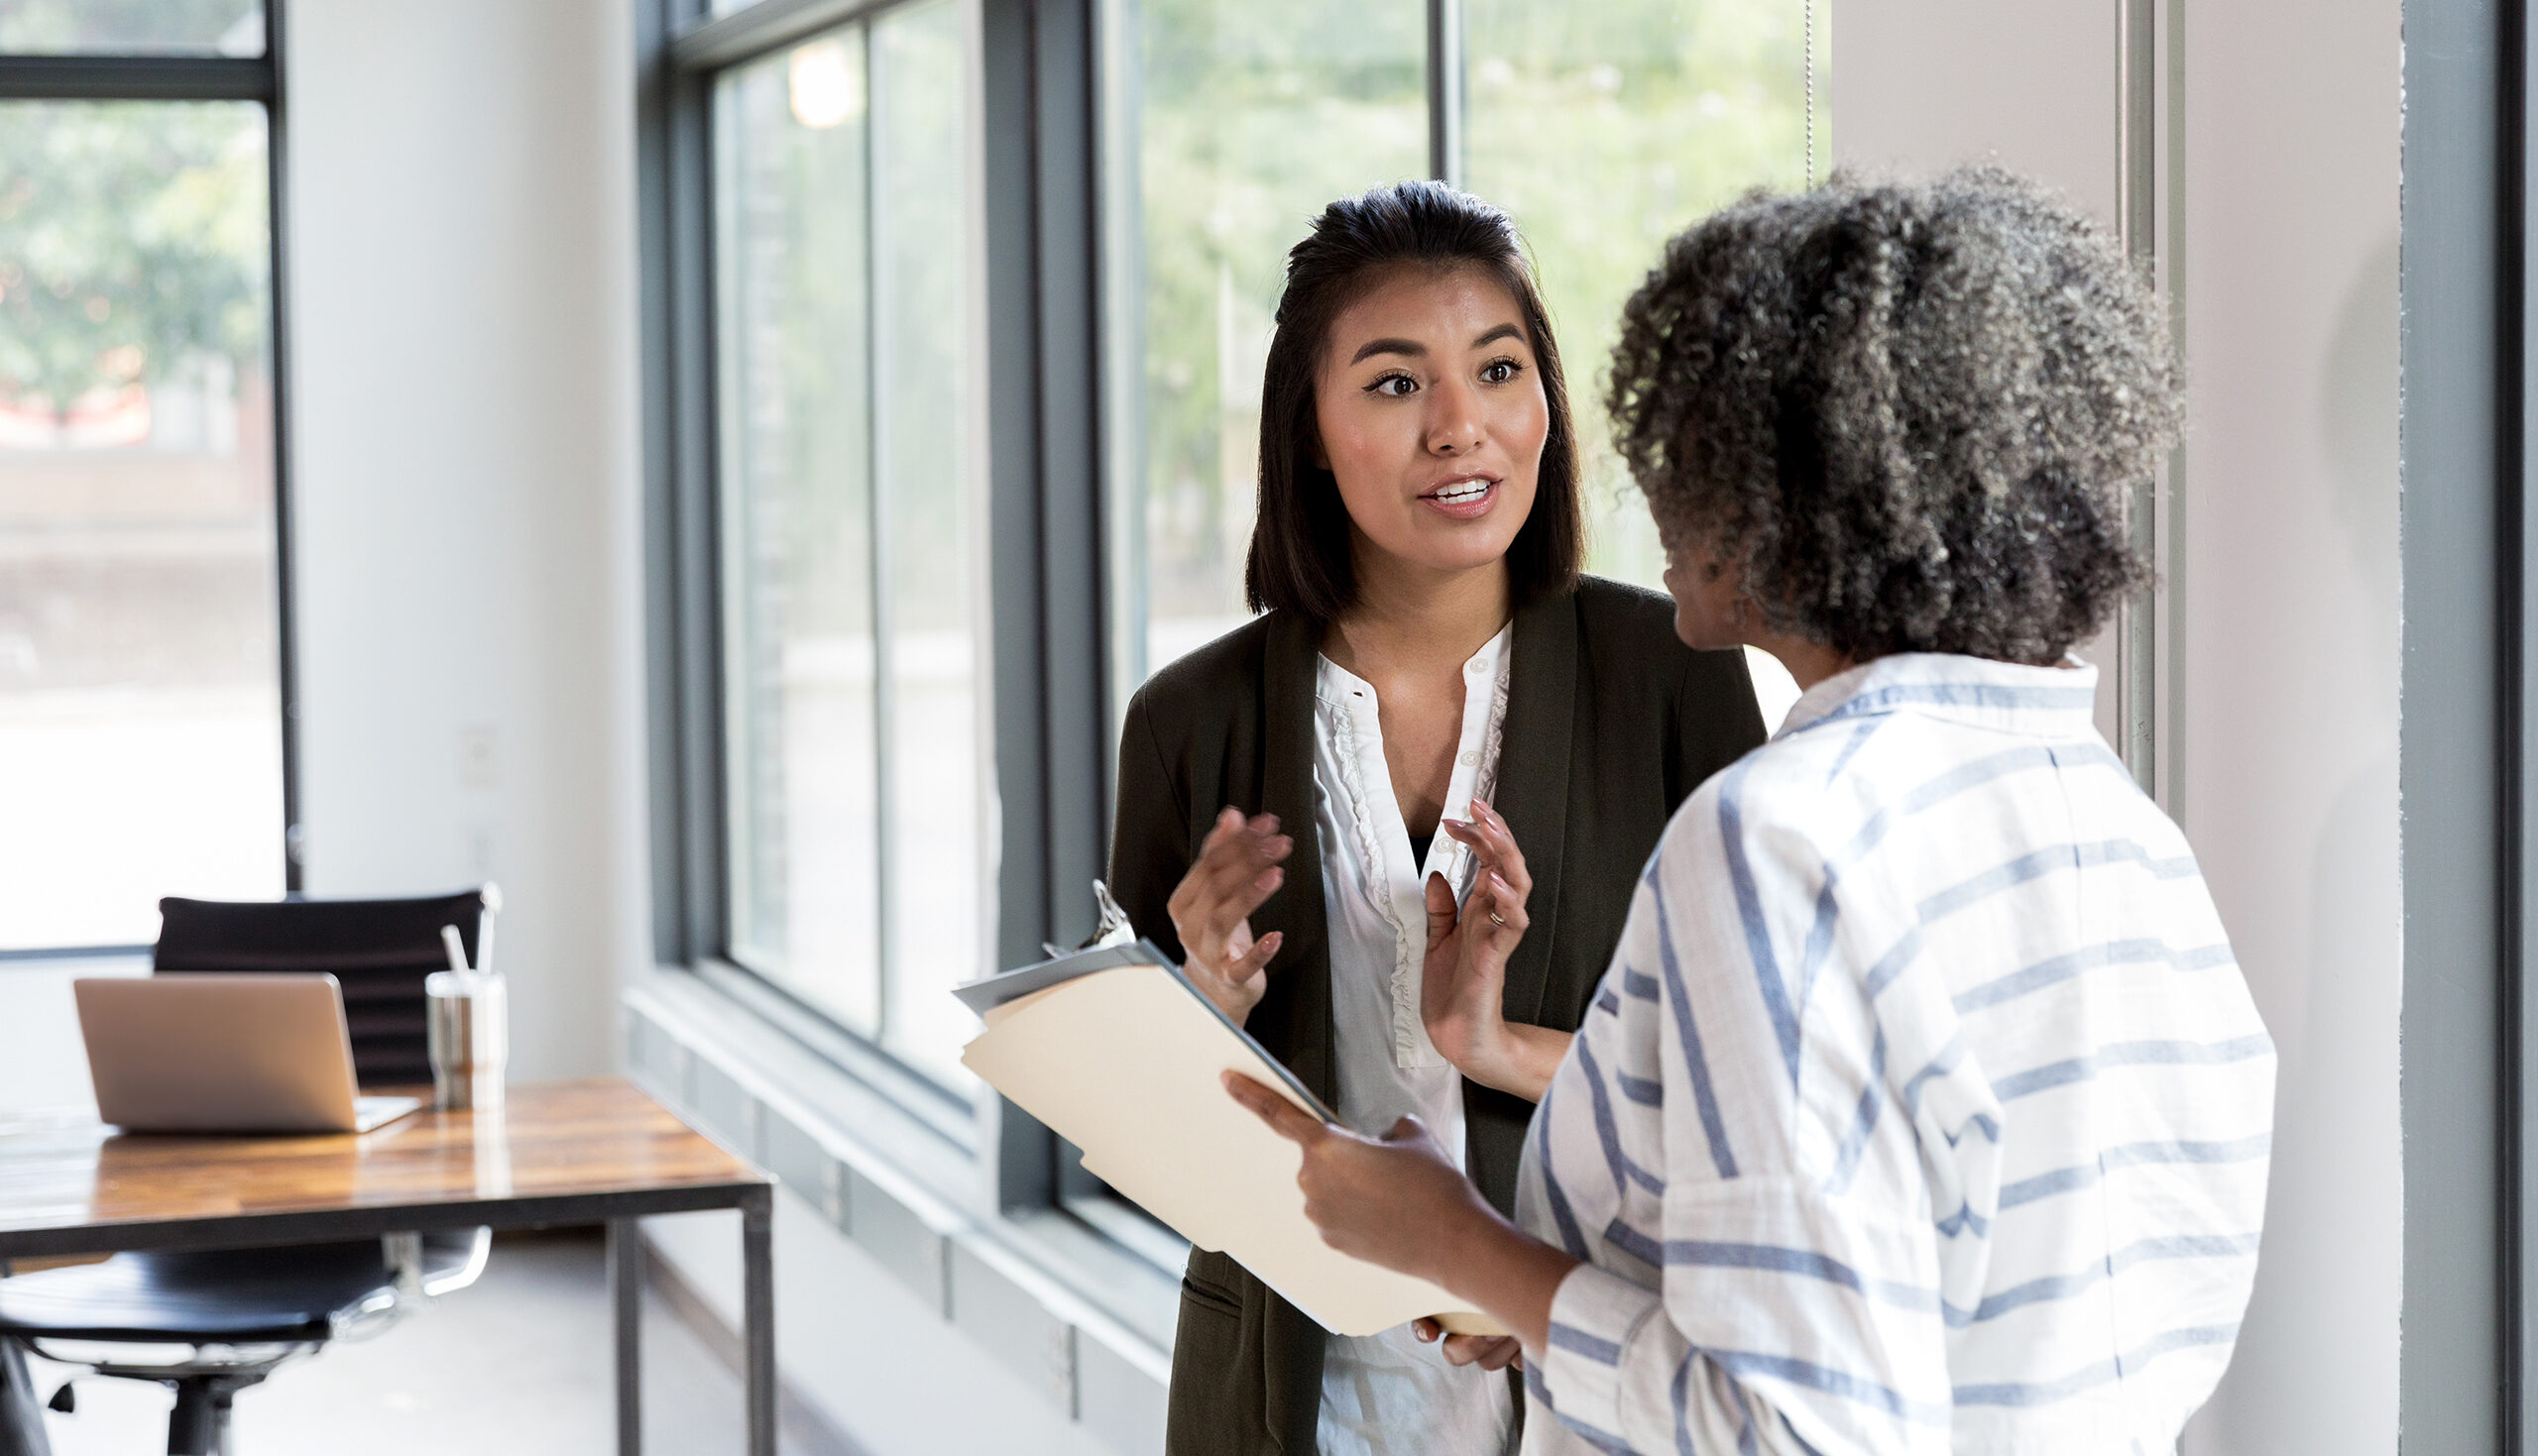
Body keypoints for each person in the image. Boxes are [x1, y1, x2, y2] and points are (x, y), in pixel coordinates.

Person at [1228, 168, 2276, 1455]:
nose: (1653, 490)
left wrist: (1456, 1241)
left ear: (1793, 494)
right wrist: (1554, 1291)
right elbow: (1947, 1287)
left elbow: (1783, 1428)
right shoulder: (2124, 834)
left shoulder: (1778, 841)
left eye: (1688, 447)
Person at [1106, 180, 1768, 1456]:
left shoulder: (1669, 667)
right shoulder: (1188, 720)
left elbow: (1747, 1080)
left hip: (1594, 1374)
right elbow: (1140, 1151)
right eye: (1396, 383)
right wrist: (1204, 1004)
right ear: (1307, 429)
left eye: (1499, 369)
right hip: (1292, 1396)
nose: (1461, 428)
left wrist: (1502, 1042)